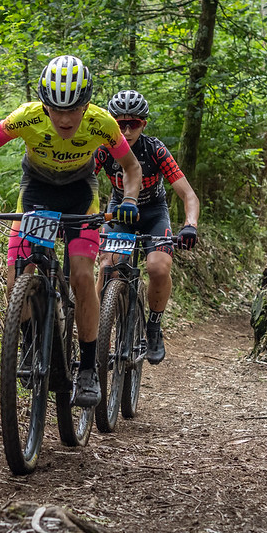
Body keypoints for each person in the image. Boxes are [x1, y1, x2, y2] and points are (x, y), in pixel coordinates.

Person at [0, 56, 142, 407]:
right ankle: (28, 342)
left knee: (83, 276)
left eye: (75, 109)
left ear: (87, 104)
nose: (66, 119)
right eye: (56, 110)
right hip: (36, 193)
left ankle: (86, 368)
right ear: (44, 104)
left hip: (80, 196)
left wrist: (129, 200)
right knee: (16, 276)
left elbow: (131, 167)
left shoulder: (102, 124)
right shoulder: (27, 118)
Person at [94, 90, 199, 365]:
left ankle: (153, 327)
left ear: (144, 124)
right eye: (120, 124)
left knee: (158, 267)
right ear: (110, 123)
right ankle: (94, 329)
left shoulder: (155, 150)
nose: (127, 131)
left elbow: (188, 195)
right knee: (107, 265)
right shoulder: (104, 149)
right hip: (120, 212)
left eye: (134, 124)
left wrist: (190, 225)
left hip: (153, 213)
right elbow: (82, 183)